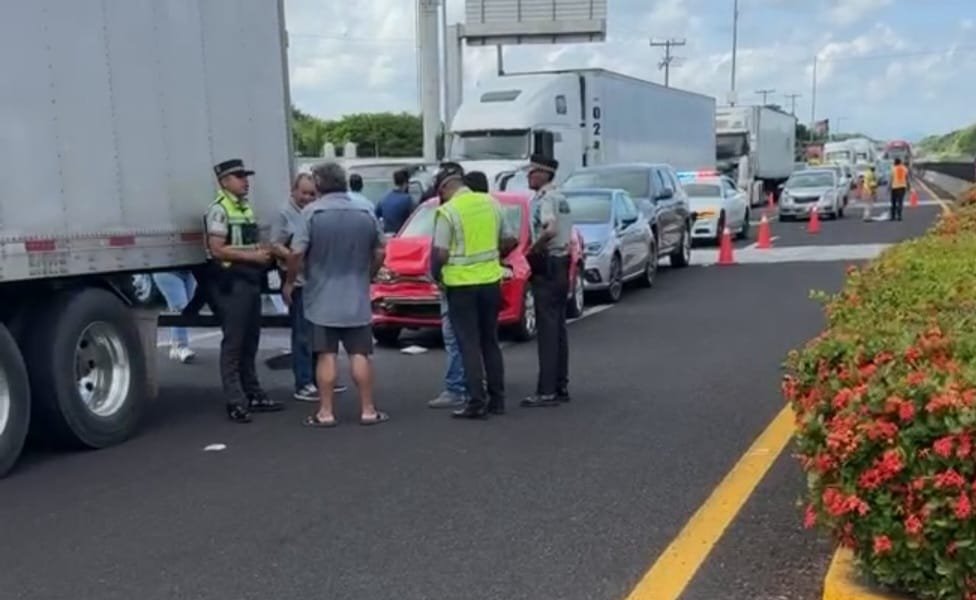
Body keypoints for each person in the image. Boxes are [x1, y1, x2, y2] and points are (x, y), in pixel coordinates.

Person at [284, 162, 389, 428]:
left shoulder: (311, 213)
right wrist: (368, 275)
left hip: (321, 295)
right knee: (360, 354)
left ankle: (326, 412)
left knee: (326, 354)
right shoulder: (365, 210)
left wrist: (291, 281)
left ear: (318, 184)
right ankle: (368, 409)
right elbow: (380, 251)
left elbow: (296, 252)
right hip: (356, 294)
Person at [431, 165, 518, 419]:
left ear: (447, 188)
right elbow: (509, 239)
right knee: (490, 341)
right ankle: (498, 399)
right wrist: (494, 255)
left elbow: (441, 252)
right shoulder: (492, 203)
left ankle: (475, 402)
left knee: (468, 344)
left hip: (460, 286)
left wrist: (436, 275)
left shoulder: (448, 211)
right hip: (491, 281)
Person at [204, 159, 282, 423]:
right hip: (231, 280)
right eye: (238, 177)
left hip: (249, 279)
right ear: (224, 181)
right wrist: (253, 257)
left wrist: (264, 253)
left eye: (245, 176)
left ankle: (254, 394)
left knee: (250, 341)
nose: (245, 181)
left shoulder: (244, 208)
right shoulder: (219, 210)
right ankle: (235, 402)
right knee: (234, 343)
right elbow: (217, 249)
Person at [271, 173, 348, 402]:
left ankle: (320, 378)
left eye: (312, 194)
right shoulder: (284, 214)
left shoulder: (315, 212)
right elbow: (274, 244)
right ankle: (303, 382)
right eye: (303, 193)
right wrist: (296, 258)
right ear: (293, 191)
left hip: (317, 279)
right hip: (298, 279)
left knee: (319, 333)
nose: (307, 197)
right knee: (302, 333)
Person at [521, 155, 574, 408]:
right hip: (562, 263)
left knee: (547, 329)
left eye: (532, 172)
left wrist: (533, 247)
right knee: (559, 328)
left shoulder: (546, 200)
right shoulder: (561, 197)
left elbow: (550, 228)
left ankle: (547, 390)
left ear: (544, 174)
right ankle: (560, 384)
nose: (528, 176)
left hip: (549, 263)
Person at [152, 271, 197, 363]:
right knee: (180, 307)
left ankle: (175, 345)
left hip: (189, 272)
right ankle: (181, 346)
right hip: (168, 270)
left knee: (187, 307)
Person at [376, 169, 414, 235]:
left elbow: (376, 215)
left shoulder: (385, 198)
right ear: (405, 183)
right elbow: (412, 218)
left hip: (387, 235)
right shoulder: (407, 199)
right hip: (402, 235)